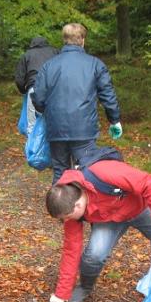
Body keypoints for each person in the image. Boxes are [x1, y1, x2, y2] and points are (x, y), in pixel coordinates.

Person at [45, 160, 151, 302]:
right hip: (110, 220)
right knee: (94, 255)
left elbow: (149, 183)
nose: (66, 221)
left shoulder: (104, 173)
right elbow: (71, 251)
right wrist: (61, 294)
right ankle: (85, 287)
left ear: (77, 205)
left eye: (67, 217)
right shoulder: (70, 208)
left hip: (140, 208)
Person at [32, 23, 122, 184]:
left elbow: (38, 97)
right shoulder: (95, 64)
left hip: (56, 127)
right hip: (84, 129)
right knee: (86, 169)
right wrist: (114, 120)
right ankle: (85, 206)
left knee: (60, 170)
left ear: (64, 39)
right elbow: (107, 94)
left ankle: (60, 206)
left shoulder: (48, 66)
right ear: (82, 40)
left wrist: (46, 112)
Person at [14, 36, 58, 136]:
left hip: (34, 88)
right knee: (55, 120)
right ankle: (54, 148)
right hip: (54, 88)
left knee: (32, 124)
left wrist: (24, 91)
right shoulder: (55, 52)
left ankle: (33, 149)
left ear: (32, 44)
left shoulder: (27, 55)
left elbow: (19, 79)